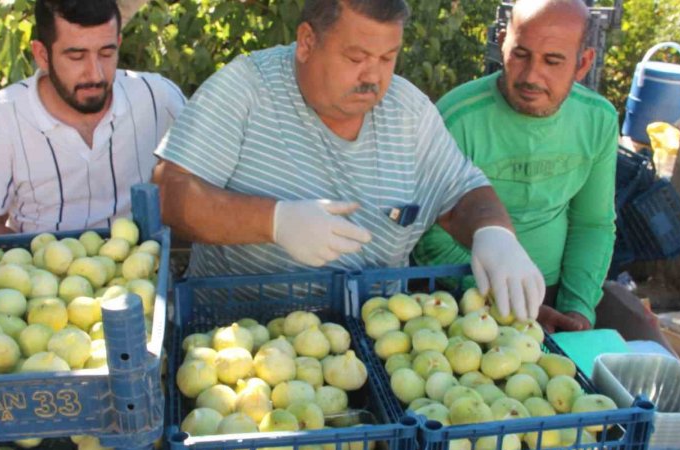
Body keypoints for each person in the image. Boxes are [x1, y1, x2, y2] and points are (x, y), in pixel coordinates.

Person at [153, 0, 545, 321]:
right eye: (356, 57)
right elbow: (169, 192)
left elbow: (461, 192)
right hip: (240, 339)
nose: (372, 76)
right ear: (307, 41)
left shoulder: (407, 112)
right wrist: (273, 221)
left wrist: (494, 234)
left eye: (387, 58)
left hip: (376, 340)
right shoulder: (246, 89)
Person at [413, 0, 618, 332]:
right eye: (520, 54)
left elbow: (592, 224)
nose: (531, 76)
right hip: (463, 300)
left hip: (555, 295)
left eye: (553, 61)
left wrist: (577, 310)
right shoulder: (457, 117)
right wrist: (501, 301)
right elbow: (429, 240)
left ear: (583, 64)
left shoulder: (599, 120)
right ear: (502, 41)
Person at [0, 0, 185, 235]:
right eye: (76, 57)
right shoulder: (0, 119)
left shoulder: (159, 98)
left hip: (146, 267)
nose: (95, 73)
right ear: (42, 55)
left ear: (118, 44)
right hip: (36, 268)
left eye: (106, 53)